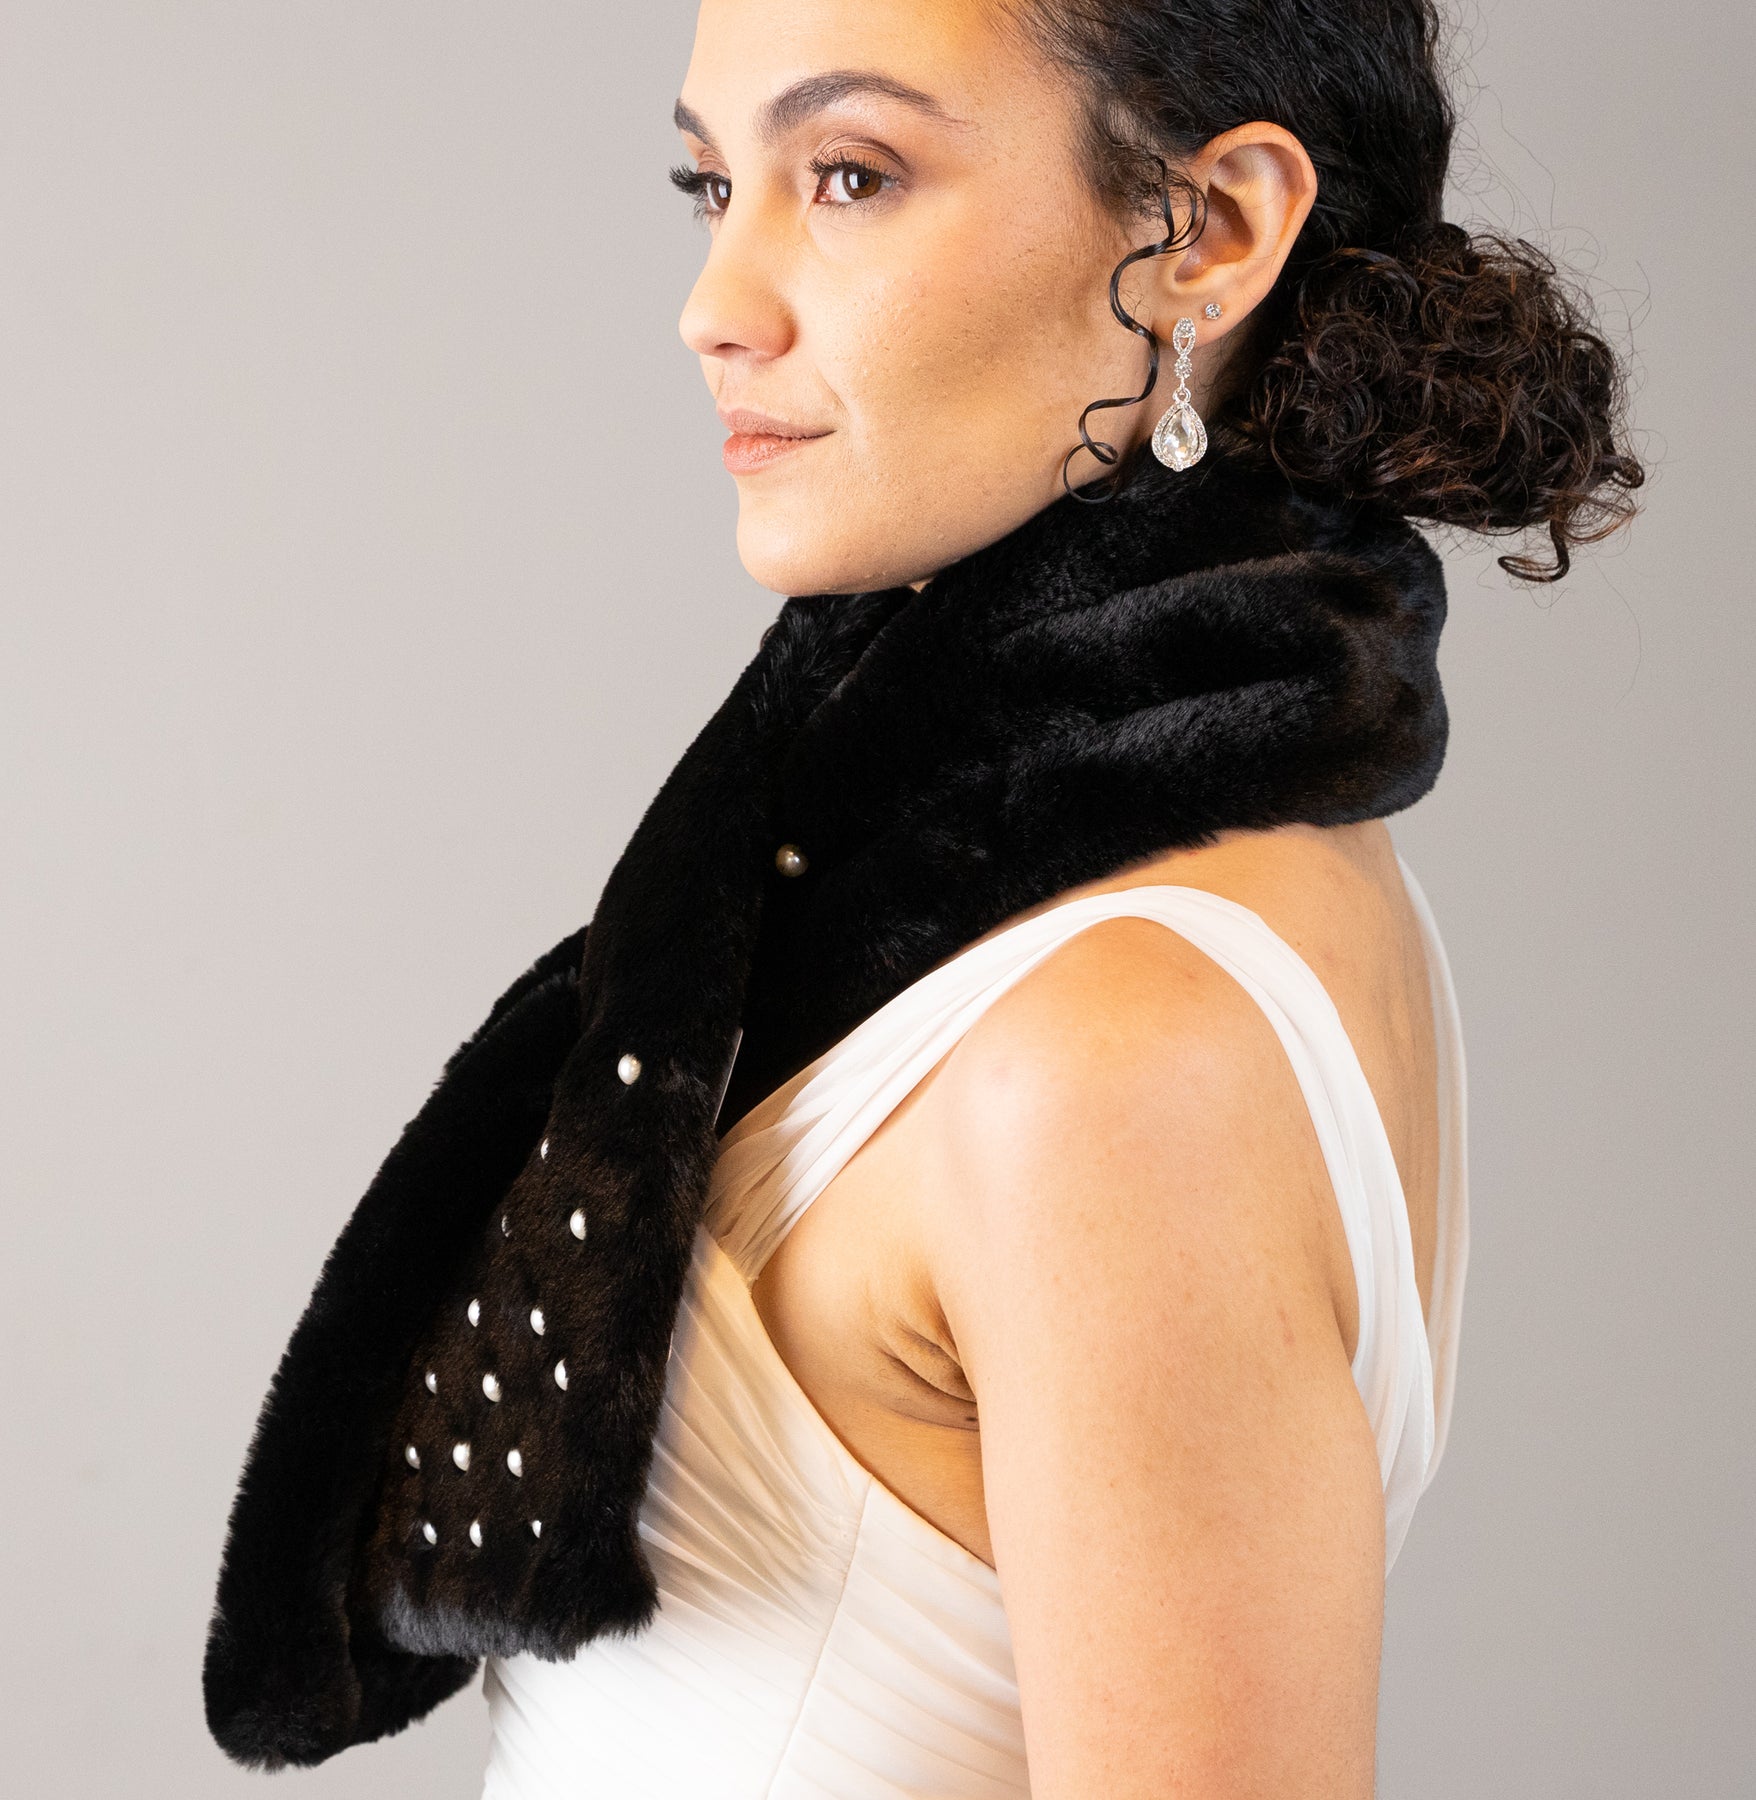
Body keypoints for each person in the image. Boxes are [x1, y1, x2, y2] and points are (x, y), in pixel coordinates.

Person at [201, 1, 1640, 1793]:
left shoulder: (1117, 1054)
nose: (717, 304)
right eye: (711, 182)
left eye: (851, 174)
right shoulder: (1022, 874)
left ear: (1209, 233)